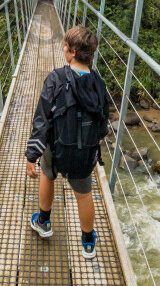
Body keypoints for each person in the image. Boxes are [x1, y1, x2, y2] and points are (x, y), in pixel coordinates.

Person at [25, 24, 109, 259]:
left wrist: (33, 154)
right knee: (84, 194)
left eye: (65, 46)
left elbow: (42, 119)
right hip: (84, 152)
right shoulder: (99, 84)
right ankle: (88, 242)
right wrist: (95, 141)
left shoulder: (56, 78)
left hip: (57, 147)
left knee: (47, 174)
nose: (63, 49)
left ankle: (43, 223)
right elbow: (103, 122)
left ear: (71, 52)